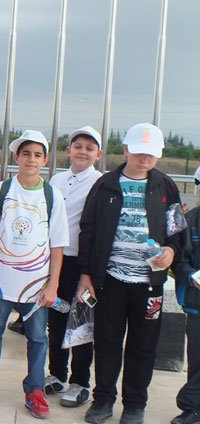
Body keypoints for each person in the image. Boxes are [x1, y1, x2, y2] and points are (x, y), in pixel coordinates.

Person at [78, 123, 183, 424]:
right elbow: (87, 230)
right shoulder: (106, 184)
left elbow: (176, 229)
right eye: (138, 153)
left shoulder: (165, 186)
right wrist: (86, 274)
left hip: (148, 284)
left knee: (143, 345)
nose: (144, 159)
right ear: (126, 150)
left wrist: (171, 250)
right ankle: (103, 400)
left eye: (150, 154)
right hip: (110, 280)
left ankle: (135, 404)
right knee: (107, 341)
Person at [0, 130, 69, 420]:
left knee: (38, 338)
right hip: (0, 281)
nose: (31, 159)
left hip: (35, 285)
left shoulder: (52, 196)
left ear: (45, 160)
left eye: (37, 155)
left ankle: (35, 390)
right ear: (17, 157)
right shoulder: (0, 190)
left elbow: (58, 245)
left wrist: (53, 285)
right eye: (26, 154)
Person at [44, 126, 103, 407]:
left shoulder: (100, 183)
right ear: (68, 150)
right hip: (57, 261)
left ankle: (80, 381)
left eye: (89, 149)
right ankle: (56, 374)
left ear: (98, 155)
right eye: (78, 146)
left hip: (84, 264)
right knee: (56, 319)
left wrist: (89, 270)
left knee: (81, 322)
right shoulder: (57, 179)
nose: (82, 152)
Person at [173, 204, 200, 424]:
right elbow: (179, 262)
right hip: (197, 304)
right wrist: (192, 276)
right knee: (197, 359)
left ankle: (190, 401)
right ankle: (193, 408)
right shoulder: (190, 221)